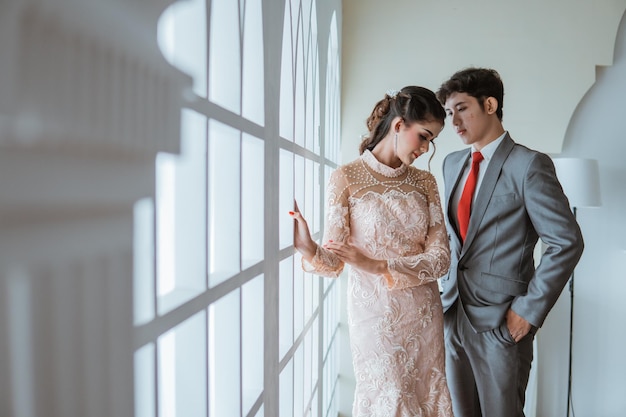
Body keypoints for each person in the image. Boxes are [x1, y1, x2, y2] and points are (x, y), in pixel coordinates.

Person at [289, 86, 454, 416]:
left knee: (427, 398)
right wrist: (308, 249)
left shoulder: (425, 183)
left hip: (423, 315)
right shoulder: (345, 178)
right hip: (374, 316)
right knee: (388, 400)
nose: (425, 148)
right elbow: (335, 261)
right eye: (423, 136)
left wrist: (379, 265)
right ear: (398, 125)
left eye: (431, 140)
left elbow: (441, 259)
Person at [435, 67, 584, 417]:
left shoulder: (529, 165)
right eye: (448, 112)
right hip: (453, 315)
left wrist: (527, 312)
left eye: (461, 108)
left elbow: (566, 241)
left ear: (490, 104)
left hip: (503, 321)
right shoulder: (452, 163)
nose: (453, 122)